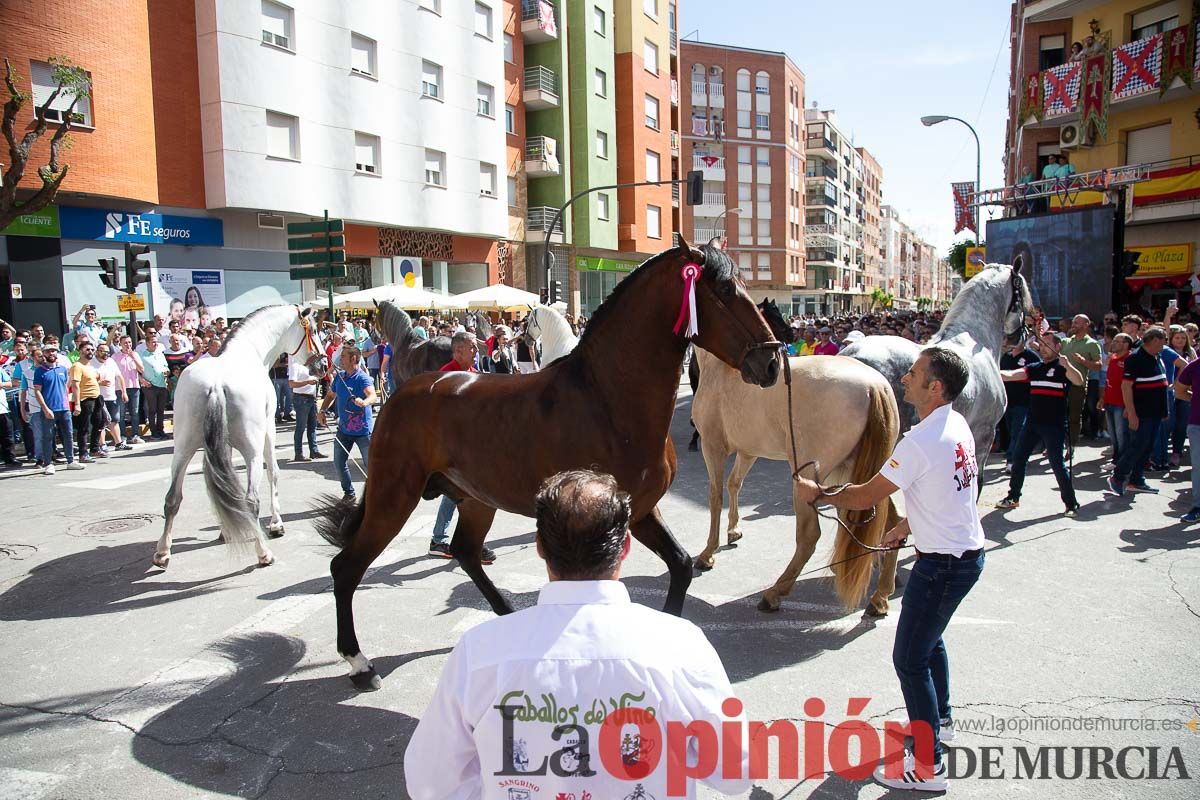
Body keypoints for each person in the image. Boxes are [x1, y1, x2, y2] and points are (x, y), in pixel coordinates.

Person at [404, 469, 749, 799]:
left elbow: (428, 783)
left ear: (540, 546)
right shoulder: (680, 645)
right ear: (625, 547)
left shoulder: (479, 652)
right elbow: (735, 772)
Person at [795, 348, 984, 791]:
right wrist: (904, 524)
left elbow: (863, 496)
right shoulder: (954, 425)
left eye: (915, 374)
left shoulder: (919, 442)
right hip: (960, 558)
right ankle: (940, 721)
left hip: (943, 566)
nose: (904, 378)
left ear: (935, 388)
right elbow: (948, 491)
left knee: (909, 659)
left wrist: (817, 493)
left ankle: (928, 765)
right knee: (929, 643)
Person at [427, 332, 497, 564]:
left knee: (462, 495)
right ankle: (462, 542)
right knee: (469, 495)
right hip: (455, 449)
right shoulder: (449, 375)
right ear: (457, 351)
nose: (477, 352)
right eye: (472, 348)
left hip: (471, 448)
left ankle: (443, 540)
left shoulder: (471, 373)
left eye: (476, 348)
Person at [996, 332, 1083, 515]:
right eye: (1041, 345)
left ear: (1058, 347)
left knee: (1057, 464)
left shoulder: (1062, 368)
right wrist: (991, 370)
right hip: (1032, 423)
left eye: (1047, 344)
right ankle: (1013, 497)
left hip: (1054, 425)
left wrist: (1068, 366)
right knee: (1018, 459)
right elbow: (1012, 375)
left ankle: (1071, 503)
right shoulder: (1035, 367)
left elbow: (1078, 381)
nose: (1042, 348)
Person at [1108, 327, 1169, 497]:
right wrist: (1132, 413)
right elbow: (1126, 387)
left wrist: (1164, 410)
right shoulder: (1135, 359)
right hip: (1142, 412)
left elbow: (1160, 384)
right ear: (1155, 340)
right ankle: (1118, 477)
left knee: (1146, 447)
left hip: (1155, 412)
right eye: (1163, 339)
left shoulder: (1155, 357)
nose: (1165, 343)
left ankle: (1136, 480)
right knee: (1137, 446)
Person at [319, 346, 375, 503]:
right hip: (343, 430)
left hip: (363, 431)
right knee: (339, 462)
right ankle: (349, 493)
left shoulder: (362, 378)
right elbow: (330, 395)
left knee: (370, 466)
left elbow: (372, 396)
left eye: (343, 356)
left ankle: (377, 494)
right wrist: (322, 410)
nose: (339, 360)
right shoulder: (340, 377)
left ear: (353, 359)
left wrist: (364, 402)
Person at [34, 343, 81, 474]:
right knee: (48, 437)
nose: (51, 353)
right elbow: (37, 391)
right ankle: (48, 463)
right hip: (49, 409)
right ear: (44, 354)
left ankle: (70, 460)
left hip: (64, 408)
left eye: (53, 351)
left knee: (68, 435)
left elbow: (66, 387)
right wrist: (45, 408)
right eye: (48, 351)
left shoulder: (62, 369)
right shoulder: (40, 371)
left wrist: (68, 403)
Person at [1061, 314, 1102, 449]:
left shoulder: (1092, 344)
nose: (1074, 324)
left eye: (1077, 322)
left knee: (1074, 416)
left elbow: (1098, 365)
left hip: (1077, 385)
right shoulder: (1065, 341)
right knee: (1058, 415)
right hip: (1060, 384)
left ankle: (1071, 445)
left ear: (1086, 324)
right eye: (1073, 322)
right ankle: (1057, 443)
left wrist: (1083, 361)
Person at [998, 339, 1040, 472]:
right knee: (1012, 431)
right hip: (1007, 402)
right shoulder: (1006, 357)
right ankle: (1019, 454)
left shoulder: (1031, 356)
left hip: (1023, 402)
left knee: (1018, 432)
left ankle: (1012, 460)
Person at [67, 340, 105, 463]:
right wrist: (77, 404)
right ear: (80, 351)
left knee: (99, 423)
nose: (90, 352)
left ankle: (94, 448)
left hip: (96, 397)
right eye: (87, 349)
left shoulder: (89, 366)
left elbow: (91, 381)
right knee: (83, 428)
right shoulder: (77, 366)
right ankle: (83, 454)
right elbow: (75, 385)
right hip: (85, 400)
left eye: (92, 350)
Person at [1098, 332, 1133, 464]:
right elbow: (1108, 381)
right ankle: (1116, 459)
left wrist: (1128, 407)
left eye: (1117, 341)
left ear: (1126, 344)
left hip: (1121, 403)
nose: (1113, 343)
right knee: (1113, 434)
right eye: (1114, 341)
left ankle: (1122, 462)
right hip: (1109, 401)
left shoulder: (1131, 359)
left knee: (1122, 434)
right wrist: (1103, 398)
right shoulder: (1112, 358)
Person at [91, 342, 130, 452]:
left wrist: (124, 392)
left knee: (114, 420)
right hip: (98, 397)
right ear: (97, 352)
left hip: (111, 396)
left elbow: (119, 377)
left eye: (108, 352)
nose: (106, 354)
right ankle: (102, 444)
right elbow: (88, 379)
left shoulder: (111, 362)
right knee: (101, 422)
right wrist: (99, 382)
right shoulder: (91, 363)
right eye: (103, 351)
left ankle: (118, 443)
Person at [288, 352, 325, 462]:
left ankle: (314, 450)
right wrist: (307, 382)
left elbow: (320, 375)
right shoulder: (295, 365)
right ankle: (298, 453)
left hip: (310, 397)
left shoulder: (310, 366)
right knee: (301, 427)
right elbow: (292, 384)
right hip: (301, 398)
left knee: (312, 426)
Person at [113, 336, 145, 443]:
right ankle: (122, 436)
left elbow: (141, 369)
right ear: (121, 344)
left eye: (130, 342)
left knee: (134, 412)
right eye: (125, 343)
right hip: (120, 388)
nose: (128, 345)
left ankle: (135, 435)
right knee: (121, 413)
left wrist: (133, 357)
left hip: (134, 386)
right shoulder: (115, 356)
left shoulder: (135, 354)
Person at [140, 336, 170, 440]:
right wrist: (143, 381)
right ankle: (154, 431)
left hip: (162, 384)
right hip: (150, 386)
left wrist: (167, 371)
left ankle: (161, 430)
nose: (155, 344)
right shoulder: (142, 355)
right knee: (152, 410)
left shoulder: (160, 354)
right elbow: (136, 371)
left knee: (160, 410)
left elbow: (166, 366)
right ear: (147, 343)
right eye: (153, 342)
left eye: (156, 342)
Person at [270, 353, 293, 423]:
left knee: (290, 396)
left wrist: (284, 364)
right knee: (277, 398)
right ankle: (278, 415)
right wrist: (285, 364)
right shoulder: (276, 352)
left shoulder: (287, 353)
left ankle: (287, 413)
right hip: (276, 378)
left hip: (286, 377)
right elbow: (275, 365)